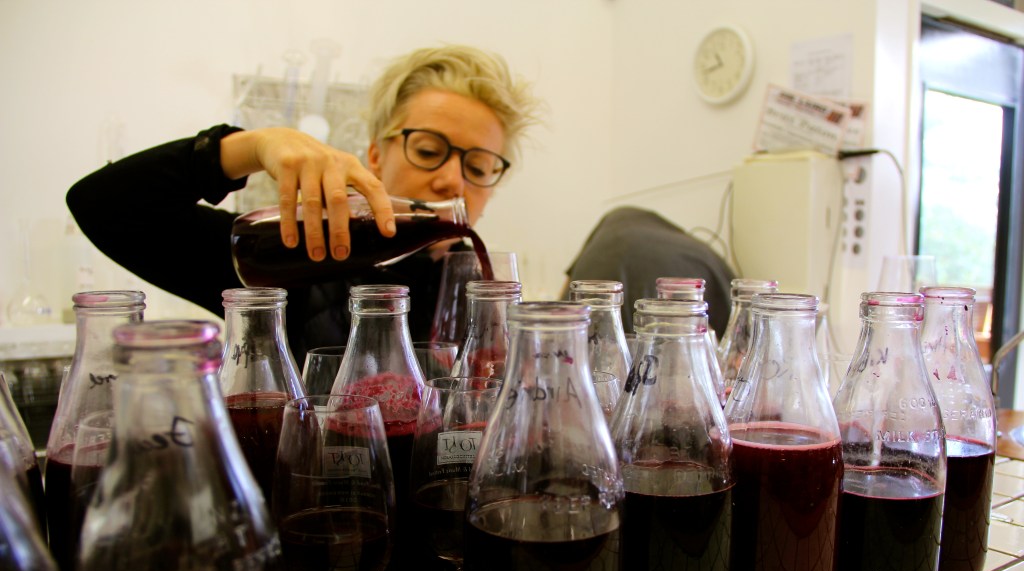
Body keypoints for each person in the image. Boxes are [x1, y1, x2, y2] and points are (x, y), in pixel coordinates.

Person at [66, 44, 542, 366]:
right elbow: (106, 206)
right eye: (428, 149)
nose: (451, 179)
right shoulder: (296, 257)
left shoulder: (496, 299)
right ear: (376, 155)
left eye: (478, 166)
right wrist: (250, 148)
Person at [562, 205, 736, 337]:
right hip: (692, 271)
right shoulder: (693, 247)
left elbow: (563, 299)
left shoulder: (607, 234)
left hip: (605, 273)